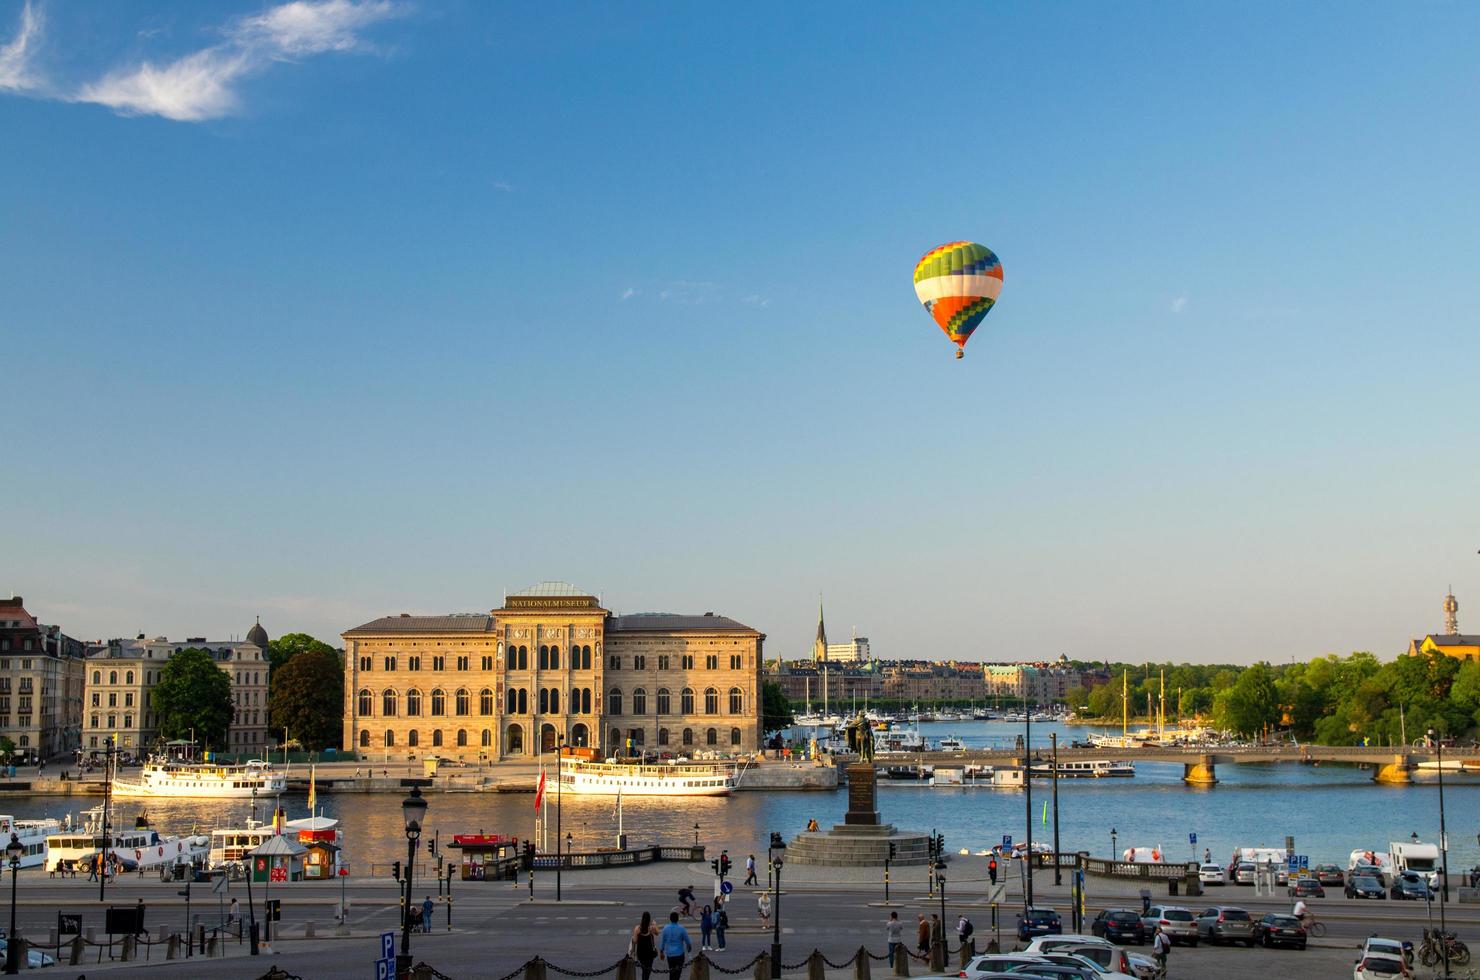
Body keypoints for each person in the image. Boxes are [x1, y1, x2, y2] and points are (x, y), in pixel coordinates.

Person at [659, 911, 692, 980]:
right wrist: (689, 948)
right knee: (678, 974)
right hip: (679, 954)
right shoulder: (681, 928)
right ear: (677, 919)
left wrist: (661, 952)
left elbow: (662, 942)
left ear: (670, 919)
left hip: (670, 955)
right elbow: (688, 942)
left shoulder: (665, 928)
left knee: (671, 972)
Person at [630, 911, 660, 980]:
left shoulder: (637, 928)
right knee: (647, 972)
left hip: (641, 954)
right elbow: (657, 933)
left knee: (644, 970)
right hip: (650, 954)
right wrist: (655, 924)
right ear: (649, 919)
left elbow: (634, 941)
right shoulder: (651, 928)